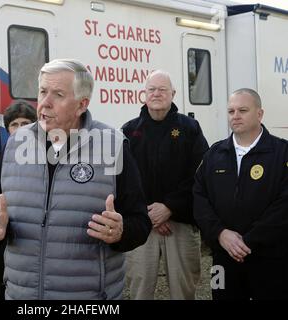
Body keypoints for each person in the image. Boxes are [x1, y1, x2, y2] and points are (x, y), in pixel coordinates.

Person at [0, 58, 151, 300]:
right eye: (42, 92)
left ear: (82, 104)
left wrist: (121, 232)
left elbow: (140, 223)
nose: (45, 103)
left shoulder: (113, 147)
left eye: (58, 94)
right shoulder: (14, 145)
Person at [193, 88, 288, 300]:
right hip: (223, 258)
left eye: (243, 110)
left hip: (271, 259)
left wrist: (249, 241)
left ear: (259, 114)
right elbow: (199, 198)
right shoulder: (214, 154)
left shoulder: (282, 153)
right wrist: (220, 233)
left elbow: (284, 205)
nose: (235, 116)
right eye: (231, 111)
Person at [122, 70, 209, 300]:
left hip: (180, 222)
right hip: (142, 223)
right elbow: (124, 180)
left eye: (162, 89)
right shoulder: (129, 131)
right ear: (144, 94)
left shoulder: (190, 128)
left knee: (184, 290)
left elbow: (200, 175)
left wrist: (169, 207)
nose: (157, 93)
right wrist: (149, 212)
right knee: (140, 290)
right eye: (152, 89)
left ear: (173, 93)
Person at [0, 100, 37, 300]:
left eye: (26, 123)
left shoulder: (45, 160)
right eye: (15, 124)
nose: (20, 129)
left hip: (32, 249)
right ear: (7, 129)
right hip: (1, 249)